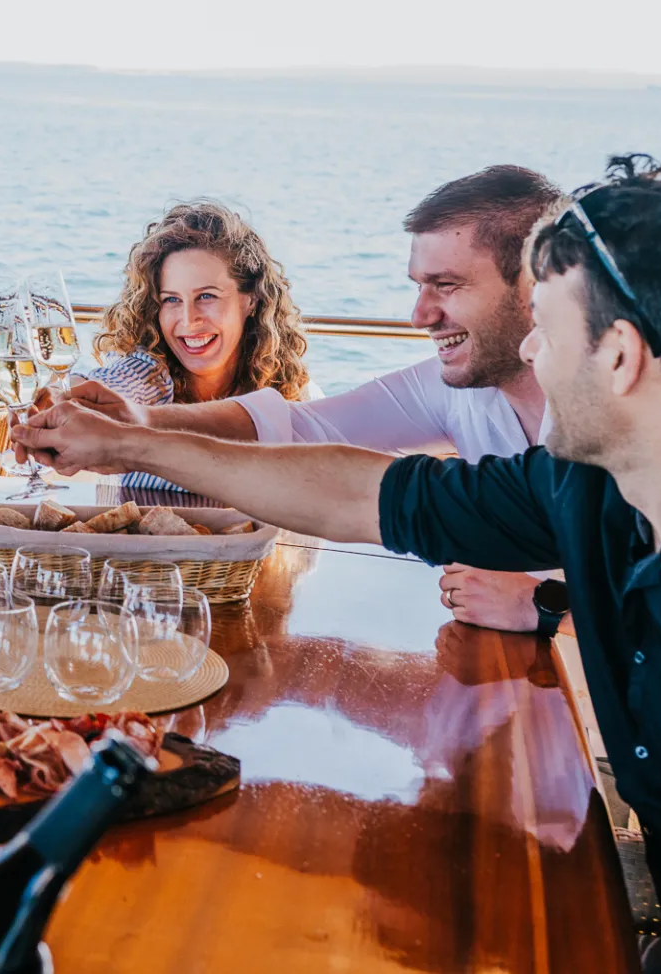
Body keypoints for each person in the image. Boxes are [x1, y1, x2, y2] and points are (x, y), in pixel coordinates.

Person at [16, 156, 661, 973]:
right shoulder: (591, 483)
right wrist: (131, 442)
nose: (531, 356)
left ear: (619, 358)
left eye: (548, 331)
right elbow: (360, 493)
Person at [71, 166, 564, 634]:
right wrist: (138, 422)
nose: (419, 316)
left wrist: (546, 604)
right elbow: (303, 428)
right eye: (419, 286)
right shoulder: (451, 386)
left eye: (447, 285)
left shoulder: (603, 413)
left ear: (533, 285)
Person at [80, 200, 309, 492]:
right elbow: (106, 387)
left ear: (251, 299)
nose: (189, 320)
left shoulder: (288, 391)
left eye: (206, 296)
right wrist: (67, 396)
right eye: (171, 300)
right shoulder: (149, 376)